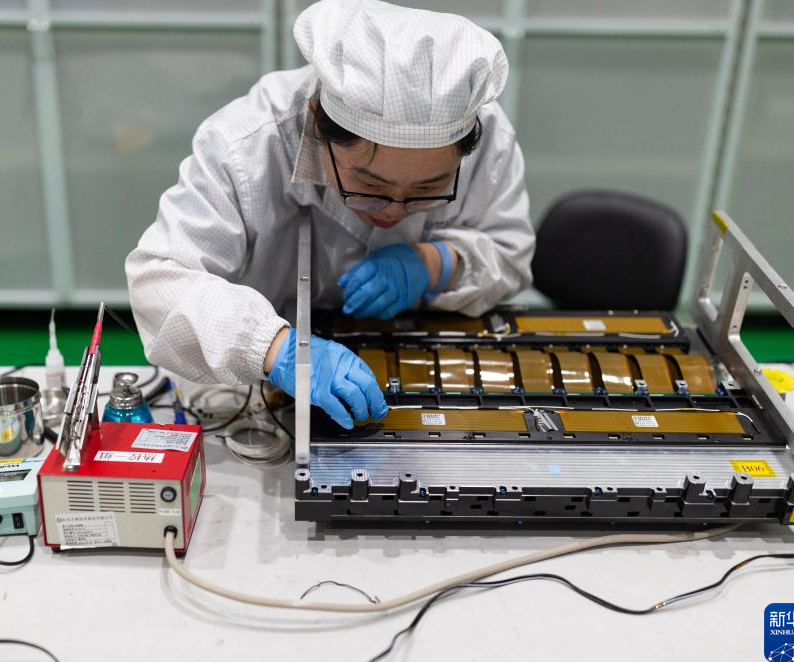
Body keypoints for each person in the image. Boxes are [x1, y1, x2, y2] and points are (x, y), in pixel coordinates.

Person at [126, 0, 534, 430]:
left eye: (426, 190)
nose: (394, 212)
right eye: (371, 187)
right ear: (317, 122)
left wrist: (436, 263)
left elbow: (511, 253)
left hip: (426, 360)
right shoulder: (245, 145)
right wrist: (273, 348)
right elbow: (160, 281)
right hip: (262, 388)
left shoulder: (487, 137)